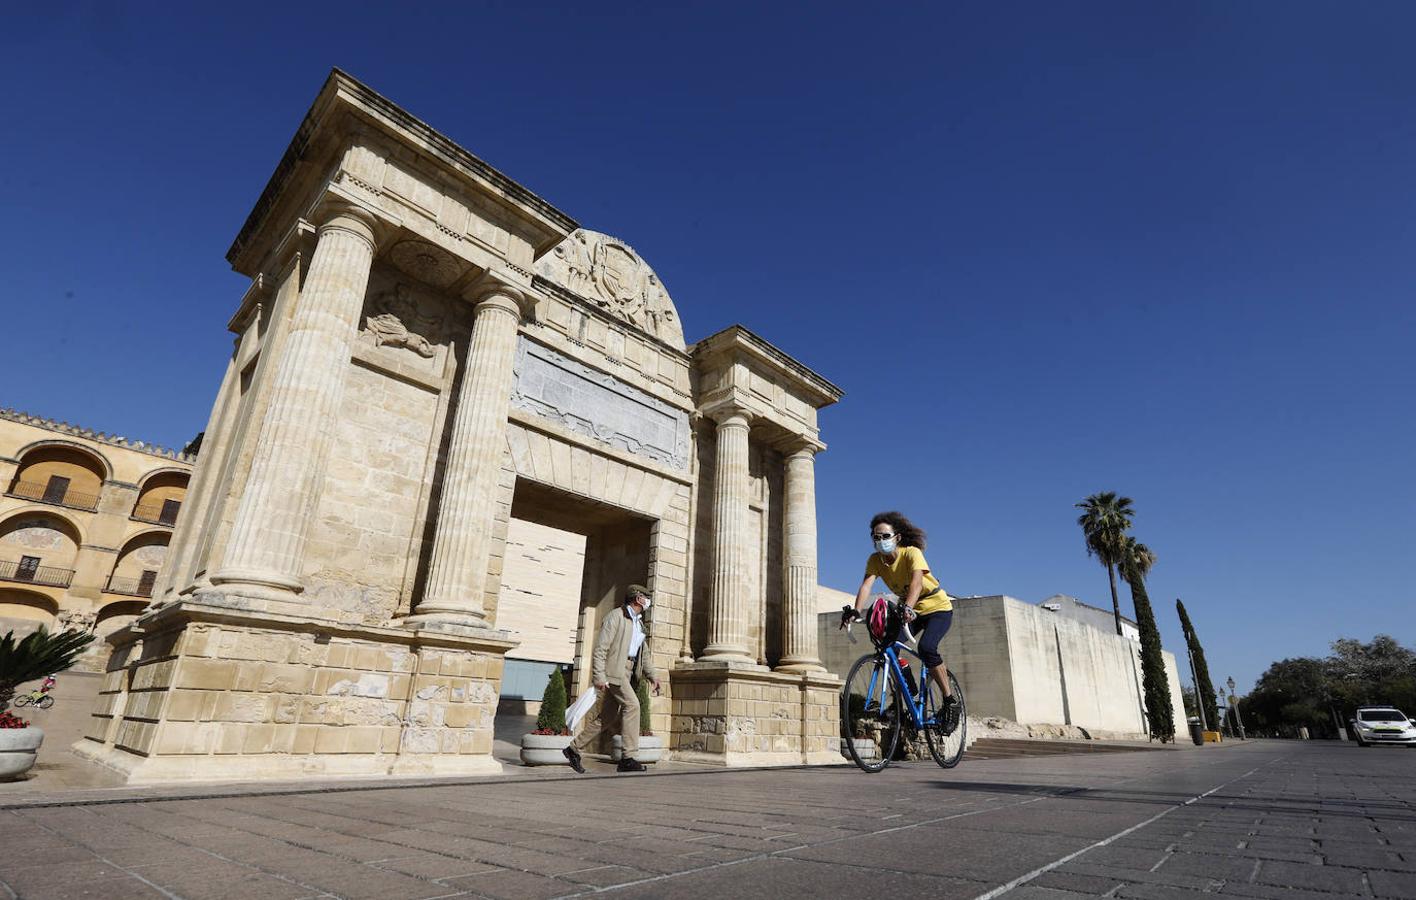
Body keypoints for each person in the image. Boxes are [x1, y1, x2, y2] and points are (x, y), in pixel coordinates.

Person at [843, 511, 959, 727]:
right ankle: (910, 696)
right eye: (876, 537)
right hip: (908, 608)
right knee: (889, 650)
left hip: (936, 607)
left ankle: (950, 701)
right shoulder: (875, 560)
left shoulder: (911, 553)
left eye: (885, 536)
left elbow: (916, 582)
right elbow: (866, 585)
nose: (880, 541)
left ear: (897, 537)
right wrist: (856, 611)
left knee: (927, 649)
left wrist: (908, 607)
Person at [564, 584, 661, 774]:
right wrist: (599, 676)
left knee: (607, 718)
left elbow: (644, 654)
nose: (648, 601)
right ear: (637, 598)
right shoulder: (615, 617)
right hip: (614, 671)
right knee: (633, 705)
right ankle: (628, 757)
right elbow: (601, 649)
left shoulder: (639, 623)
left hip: (629, 670)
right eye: (646, 597)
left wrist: (653, 676)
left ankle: (573, 748)